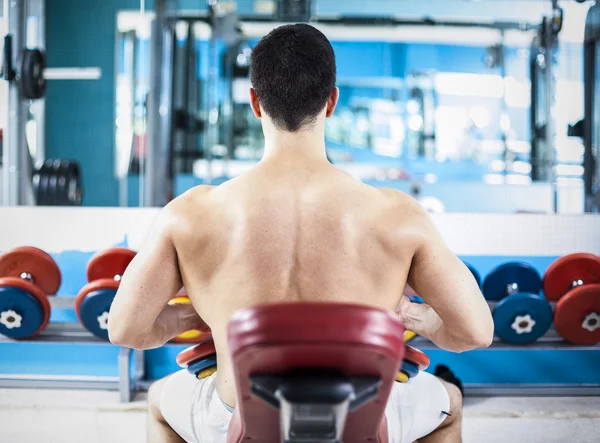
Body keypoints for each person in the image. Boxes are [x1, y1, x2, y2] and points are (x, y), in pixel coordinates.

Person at [108, 23, 493, 443]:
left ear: (255, 103)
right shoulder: (397, 214)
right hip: (361, 425)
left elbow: (126, 329)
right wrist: (409, 314)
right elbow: (474, 331)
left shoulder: (190, 213)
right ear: (331, 102)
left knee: (160, 401)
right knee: (449, 404)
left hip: (236, 424)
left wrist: (205, 309)